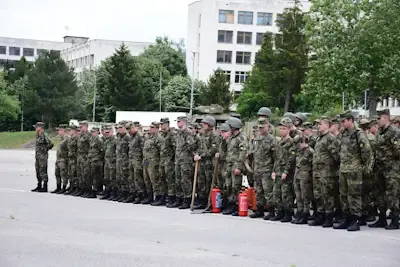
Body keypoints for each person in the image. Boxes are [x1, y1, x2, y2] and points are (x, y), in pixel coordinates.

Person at [334, 112, 374, 231]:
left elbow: (367, 152)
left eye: (344, 121)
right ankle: (347, 218)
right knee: (344, 195)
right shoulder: (343, 133)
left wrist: (365, 168)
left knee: (354, 196)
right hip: (344, 169)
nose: (342, 124)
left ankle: (356, 219)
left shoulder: (358, 134)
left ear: (351, 120)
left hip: (355, 170)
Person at [369, 109, 400, 230]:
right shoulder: (380, 132)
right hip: (380, 168)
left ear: (386, 118)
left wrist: (391, 162)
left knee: (393, 194)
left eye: (379, 118)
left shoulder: (394, 132)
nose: (377, 121)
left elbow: (398, 150)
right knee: (379, 194)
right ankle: (382, 218)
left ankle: (395, 219)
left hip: (391, 169)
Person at [309, 116, 340, 227]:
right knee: (318, 195)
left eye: (320, 124)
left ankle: (329, 217)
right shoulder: (319, 138)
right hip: (317, 173)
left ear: (327, 125)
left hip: (327, 173)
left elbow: (336, 156)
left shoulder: (330, 138)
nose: (318, 126)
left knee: (328, 196)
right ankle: (320, 215)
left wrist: (332, 170)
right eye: (318, 125)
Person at [248, 118, 276, 219]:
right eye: (259, 127)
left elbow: (275, 157)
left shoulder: (271, 139)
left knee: (268, 191)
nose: (261, 129)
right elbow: (254, 152)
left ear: (268, 127)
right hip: (257, 169)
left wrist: (274, 170)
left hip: (267, 169)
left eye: (263, 127)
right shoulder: (257, 138)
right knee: (258, 191)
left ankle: (271, 211)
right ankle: (259, 210)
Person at [271, 117, 296, 222]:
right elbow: (276, 158)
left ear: (289, 129)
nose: (281, 131)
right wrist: (273, 170)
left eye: (284, 129)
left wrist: (286, 171)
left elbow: (291, 159)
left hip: (286, 173)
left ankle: (288, 213)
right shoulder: (279, 142)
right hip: (277, 171)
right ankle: (280, 212)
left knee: (286, 194)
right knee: (277, 193)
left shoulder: (291, 142)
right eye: (280, 128)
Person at [193, 116, 220, 209]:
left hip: (209, 163)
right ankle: (201, 200)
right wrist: (196, 154)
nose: (203, 126)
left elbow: (213, 149)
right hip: (201, 163)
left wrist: (202, 155)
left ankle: (209, 202)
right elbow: (196, 146)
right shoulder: (201, 135)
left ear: (210, 125)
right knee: (201, 182)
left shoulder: (215, 136)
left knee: (209, 182)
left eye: (205, 124)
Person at [223, 117, 248, 216]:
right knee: (228, 185)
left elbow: (243, 153)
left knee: (235, 186)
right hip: (229, 164)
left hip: (236, 165)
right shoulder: (231, 137)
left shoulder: (241, 137)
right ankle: (230, 204)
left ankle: (237, 206)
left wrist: (239, 167)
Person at [172, 116, 197, 209]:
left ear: (184, 122)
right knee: (178, 179)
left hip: (186, 160)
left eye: (179, 122)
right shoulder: (179, 133)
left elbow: (192, 146)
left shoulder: (188, 133)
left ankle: (187, 198)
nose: (177, 123)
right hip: (178, 159)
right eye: (177, 121)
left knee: (185, 180)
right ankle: (179, 198)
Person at [292, 128, 314, 224]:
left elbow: (314, 164)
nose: (298, 146)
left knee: (305, 196)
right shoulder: (299, 151)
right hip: (297, 174)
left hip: (305, 176)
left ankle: (305, 213)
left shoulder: (310, 152)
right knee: (298, 196)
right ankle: (300, 212)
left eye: (299, 143)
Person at [359, 119, 377, 223]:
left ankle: (370, 213)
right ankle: (365, 213)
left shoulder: (370, 139)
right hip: (363, 168)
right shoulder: (365, 137)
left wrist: (370, 168)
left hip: (368, 168)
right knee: (364, 192)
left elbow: (373, 155)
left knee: (368, 192)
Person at [142, 122, 162, 205]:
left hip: (154, 162)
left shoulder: (159, 138)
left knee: (155, 180)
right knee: (147, 180)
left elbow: (161, 151)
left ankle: (158, 197)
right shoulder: (148, 137)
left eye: (152, 127)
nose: (150, 129)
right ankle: (149, 197)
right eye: (150, 127)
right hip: (146, 161)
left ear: (157, 128)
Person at [127, 121, 146, 204]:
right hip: (131, 160)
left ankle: (141, 194)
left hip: (138, 160)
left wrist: (143, 161)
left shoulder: (140, 136)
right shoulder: (131, 136)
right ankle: (134, 194)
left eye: (130, 129)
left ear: (134, 127)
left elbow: (143, 150)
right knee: (131, 178)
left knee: (138, 178)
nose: (129, 132)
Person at [159, 118, 176, 207]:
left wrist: (172, 160)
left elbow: (175, 148)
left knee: (170, 180)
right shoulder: (162, 135)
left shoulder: (172, 134)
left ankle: (171, 197)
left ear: (167, 124)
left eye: (162, 124)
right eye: (160, 124)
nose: (161, 126)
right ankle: (163, 196)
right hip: (162, 160)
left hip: (169, 161)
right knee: (162, 179)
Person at [32, 122, 54, 193]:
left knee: (43, 171)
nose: (35, 128)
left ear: (40, 128)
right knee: (38, 171)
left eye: (36, 127)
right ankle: (39, 185)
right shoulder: (38, 135)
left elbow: (51, 144)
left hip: (43, 157)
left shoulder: (44, 135)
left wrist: (45, 149)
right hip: (38, 157)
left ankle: (45, 186)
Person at [215, 123, 231, 207]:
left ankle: (228, 203)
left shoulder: (230, 141)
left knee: (227, 184)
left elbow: (230, 154)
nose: (222, 134)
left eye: (224, 132)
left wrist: (221, 155)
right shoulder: (222, 141)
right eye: (221, 132)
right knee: (220, 183)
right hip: (221, 164)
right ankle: (222, 203)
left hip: (227, 164)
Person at [74, 121, 91, 197]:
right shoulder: (80, 135)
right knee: (80, 174)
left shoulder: (89, 135)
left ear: (86, 127)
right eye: (79, 127)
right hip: (80, 157)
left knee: (86, 174)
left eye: (81, 127)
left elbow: (91, 147)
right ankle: (81, 189)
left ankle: (87, 190)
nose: (80, 128)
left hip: (85, 157)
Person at [115, 122, 130, 202]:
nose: (118, 129)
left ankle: (127, 194)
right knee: (119, 178)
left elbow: (129, 151)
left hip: (125, 162)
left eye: (120, 128)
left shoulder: (127, 138)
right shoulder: (119, 137)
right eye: (117, 128)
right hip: (119, 161)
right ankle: (121, 193)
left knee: (125, 178)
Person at [51, 125, 69, 194]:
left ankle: (64, 188)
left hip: (63, 159)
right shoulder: (61, 138)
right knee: (57, 174)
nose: (58, 132)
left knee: (63, 174)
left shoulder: (67, 138)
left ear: (63, 131)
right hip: (58, 159)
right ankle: (58, 187)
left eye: (59, 130)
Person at [101, 126, 117, 200]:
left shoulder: (115, 141)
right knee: (106, 178)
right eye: (105, 132)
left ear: (112, 132)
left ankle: (113, 193)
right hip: (106, 161)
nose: (106, 134)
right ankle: (107, 192)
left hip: (112, 162)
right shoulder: (107, 141)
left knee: (112, 178)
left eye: (108, 132)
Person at [86, 127, 103, 198]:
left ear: (97, 132)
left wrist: (99, 159)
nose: (92, 133)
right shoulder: (91, 139)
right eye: (92, 132)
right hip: (91, 159)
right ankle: (90, 191)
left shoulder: (99, 140)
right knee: (90, 176)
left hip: (96, 160)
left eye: (94, 132)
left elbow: (101, 151)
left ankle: (95, 191)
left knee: (95, 176)